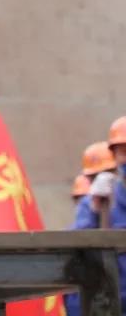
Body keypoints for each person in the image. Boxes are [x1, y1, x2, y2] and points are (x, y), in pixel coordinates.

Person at [66, 123, 126, 316]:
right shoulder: (98, 201)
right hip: (113, 300)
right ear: (114, 155)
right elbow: (75, 244)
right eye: (124, 152)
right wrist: (95, 208)